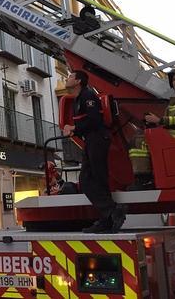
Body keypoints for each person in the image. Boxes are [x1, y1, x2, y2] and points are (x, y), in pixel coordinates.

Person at [62, 70, 125, 233]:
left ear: (78, 81)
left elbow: (94, 120)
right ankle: (108, 216)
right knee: (89, 179)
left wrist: (73, 128)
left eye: (70, 77)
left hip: (97, 139)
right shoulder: (79, 98)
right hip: (91, 140)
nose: (66, 78)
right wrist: (75, 130)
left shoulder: (87, 96)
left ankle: (111, 213)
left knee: (96, 179)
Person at [128, 64, 175, 190]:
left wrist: (160, 120)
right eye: (173, 79)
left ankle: (144, 180)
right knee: (141, 135)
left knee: (139, 141)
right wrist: (157, 122)